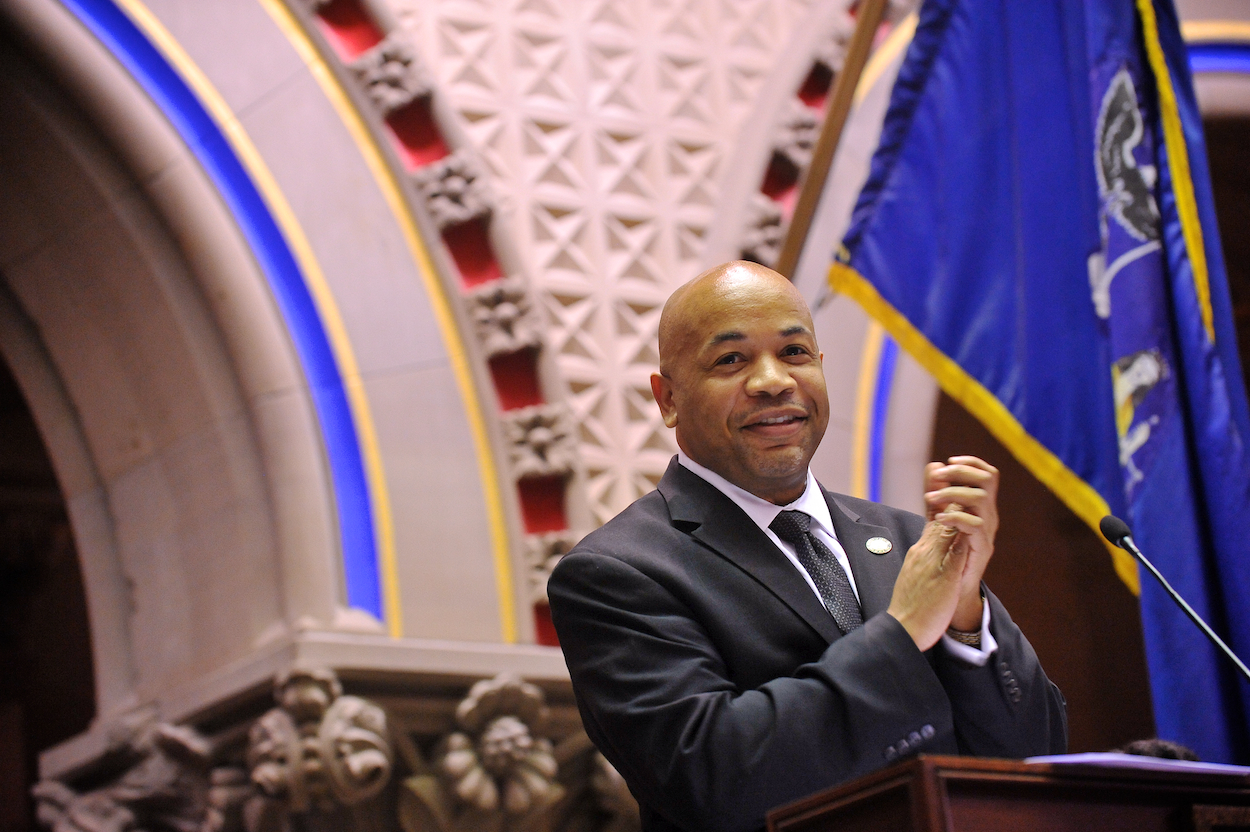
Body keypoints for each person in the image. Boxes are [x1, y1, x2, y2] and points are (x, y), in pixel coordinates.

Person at [548, 260, 1067, 832]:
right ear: (667, 399)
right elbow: (714, 781)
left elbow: (1034, 757)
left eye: (794, 353)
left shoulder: (908, 540)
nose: (773, 380)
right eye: (731, 359)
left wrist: (966, 621)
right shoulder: (617, 571)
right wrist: (903, 632)